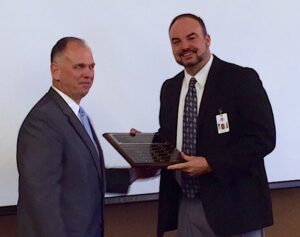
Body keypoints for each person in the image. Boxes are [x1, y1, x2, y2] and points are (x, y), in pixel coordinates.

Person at [133, 13, 276, 237]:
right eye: (176, 41)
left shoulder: (241, 79)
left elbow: (263, 139)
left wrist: (211, 163)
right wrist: (145, 144)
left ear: (207, 39)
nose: (185, 47)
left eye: (192, 38)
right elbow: (171, 137)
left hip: (235, 208)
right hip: (186, 205)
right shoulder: (170, 88)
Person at [16, 37, 132, 237]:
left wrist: (134, 174)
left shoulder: (78, 115)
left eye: (91, 66)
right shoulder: (43, 121)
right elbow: (42, 201)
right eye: (79, 67)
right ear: (55, 71)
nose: (88, 74)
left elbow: (82, 176)